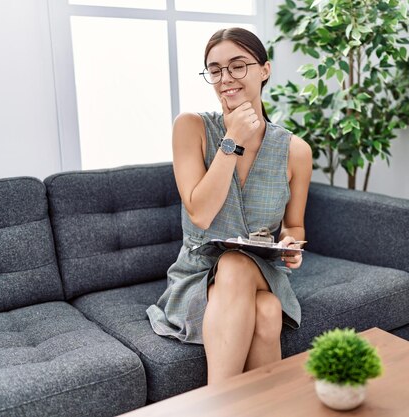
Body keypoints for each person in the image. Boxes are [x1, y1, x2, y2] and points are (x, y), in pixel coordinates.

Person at [146, 27, 312, 384]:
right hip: (197, 275)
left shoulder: (295, 150)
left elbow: (294, 225)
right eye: (215, 69)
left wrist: (291, 245)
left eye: (238, 66)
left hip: (261, 270)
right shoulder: (191, 127)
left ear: (264, 69)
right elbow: (201, 213)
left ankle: (215, 405)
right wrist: (232, 138)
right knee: (266, 312)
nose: (225, 79)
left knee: (238, 264)